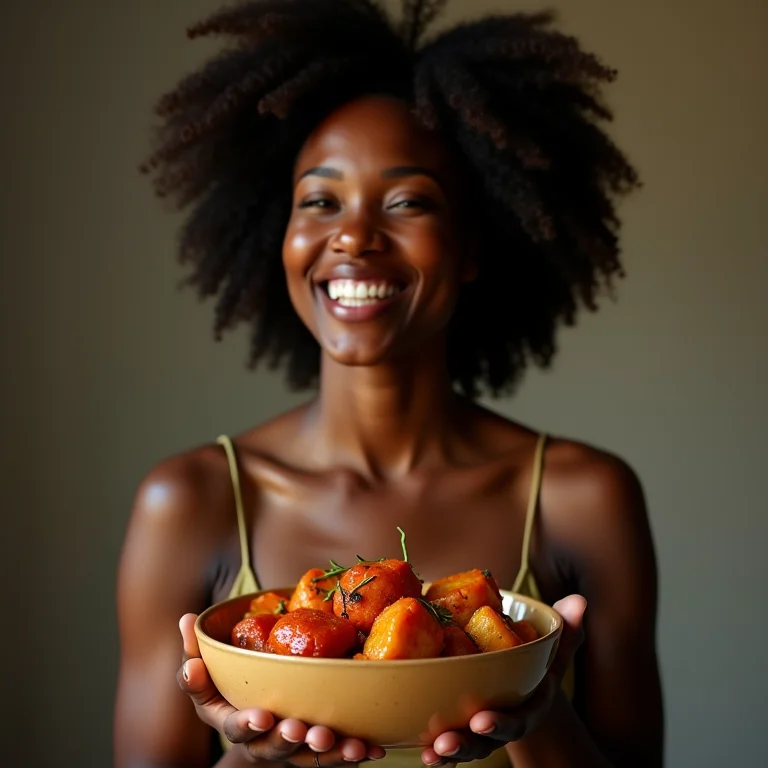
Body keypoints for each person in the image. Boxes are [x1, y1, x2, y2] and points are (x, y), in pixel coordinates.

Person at [114, 1, 663, 766]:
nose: (353, 235)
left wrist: (537, 714)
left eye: (406, 201)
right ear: (281, 238)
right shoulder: (190, 500)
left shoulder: (586, 495)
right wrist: (250, 756)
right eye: (320, 200)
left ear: (472, 244)